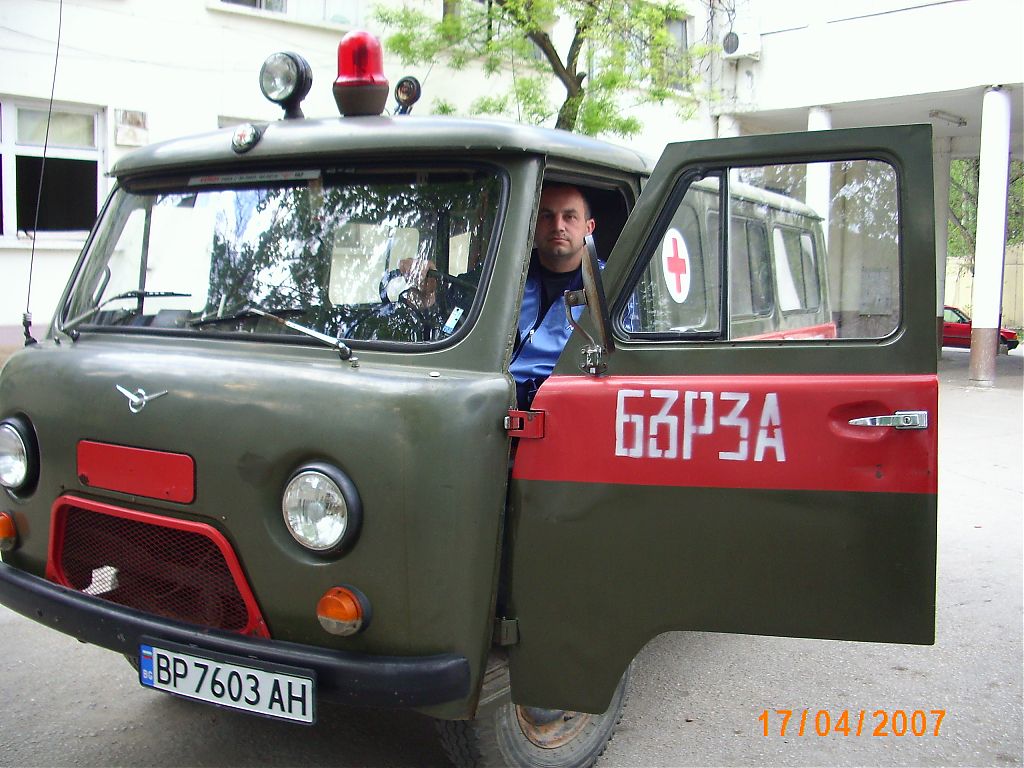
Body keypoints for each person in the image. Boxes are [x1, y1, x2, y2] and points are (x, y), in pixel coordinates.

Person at [510, 183, 596, 409]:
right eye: (547, 216)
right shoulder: (508, 276)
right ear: (534, 224)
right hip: (498, 403)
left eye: (570, 217)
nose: (558, 226)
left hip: (568, 408)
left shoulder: (610, 284)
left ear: (589, 227)